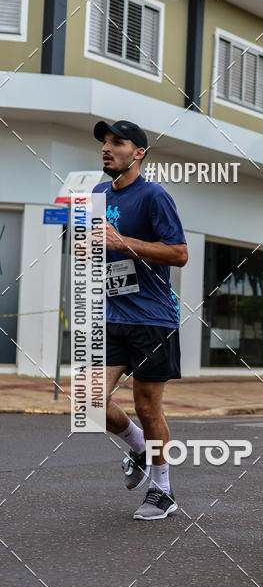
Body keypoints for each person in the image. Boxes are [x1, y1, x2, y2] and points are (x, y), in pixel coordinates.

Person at [92, 119, 188, 520]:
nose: (107, 148)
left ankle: (162, 490)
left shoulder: (154, 196)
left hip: (153, 318)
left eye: (117, 142)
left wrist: (123, 243)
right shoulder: (96, 193)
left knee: (148, 407)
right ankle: (139, 448)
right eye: (104, 143)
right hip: (113, 315)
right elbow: (96, 249)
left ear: (139, 153)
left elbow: (179, 253)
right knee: (88, 399)